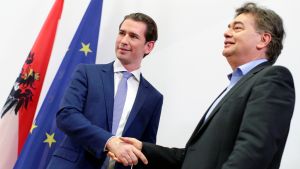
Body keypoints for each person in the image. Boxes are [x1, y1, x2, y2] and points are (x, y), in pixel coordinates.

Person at [111, 2, 295, 169]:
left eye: (237, 28)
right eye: (228, 27)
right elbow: (192, 157)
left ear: (264, 40)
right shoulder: (234, 86)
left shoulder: (273, 78)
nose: (226, 32)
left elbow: (254, 153)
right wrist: (143, 148)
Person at [47, 13, 163, 169]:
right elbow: (66, 115)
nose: (123, 41)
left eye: (133, 36)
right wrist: (109, 141)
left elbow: (145, 150)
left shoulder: (153, 97)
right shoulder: (87, 73)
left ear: (148, 46)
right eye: (122, 33)